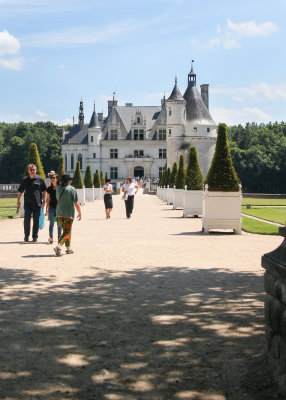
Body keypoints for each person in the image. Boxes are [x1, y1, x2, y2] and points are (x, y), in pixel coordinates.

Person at [17, 164, 46, 242]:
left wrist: (44, 200)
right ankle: (26, 236)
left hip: (37, 203)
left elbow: (44, 190)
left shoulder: (40, 179)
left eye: (34, 169)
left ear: (36, 170)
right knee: (27, 219)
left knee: (36, 220)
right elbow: (20, 191)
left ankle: (35, 237)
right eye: (31, 169)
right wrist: (18, 201)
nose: (32, 171)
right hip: (27, 203)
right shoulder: (25, 180)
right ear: (28, 170)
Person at [54, 174, 81, 256]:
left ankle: (68, 249)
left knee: (66, 231)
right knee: (67, 232)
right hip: (68, 213)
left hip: (59, 213)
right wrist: (80, 213)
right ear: (69, 180)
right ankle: (59, 246)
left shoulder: (58, 188)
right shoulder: (72, 189)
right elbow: (76, 203)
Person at [45, 171, 62, 244]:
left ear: (56, 178)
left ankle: (59, 236)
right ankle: (51, 237)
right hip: (51, 207)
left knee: (59, 223)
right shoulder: (49, 189)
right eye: (51, 178)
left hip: (59, 208)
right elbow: (48, 199)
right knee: (51, 223)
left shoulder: (60, 188)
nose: (52, 179)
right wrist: (46, 209)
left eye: (54, 178)